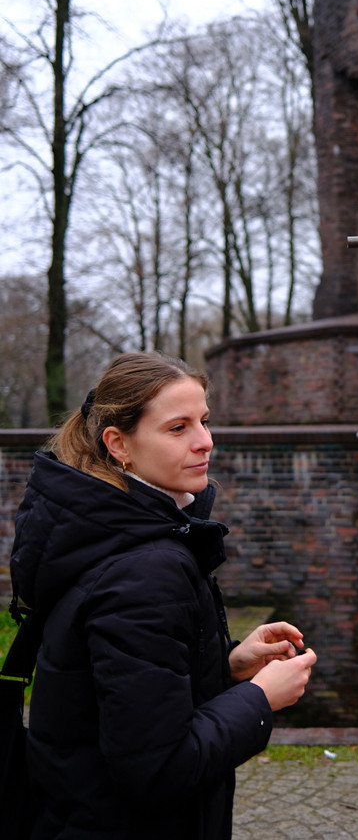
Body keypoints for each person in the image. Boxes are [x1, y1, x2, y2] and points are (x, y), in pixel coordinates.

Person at [9, 353, 318, 839]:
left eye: (204, 421)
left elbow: (122, 689)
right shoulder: (146, 569)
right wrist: (259, 699)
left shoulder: (106, 532)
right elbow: (157, 769)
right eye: (178, 428)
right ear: (119, 444)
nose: (205, 441)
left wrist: (228, 665)